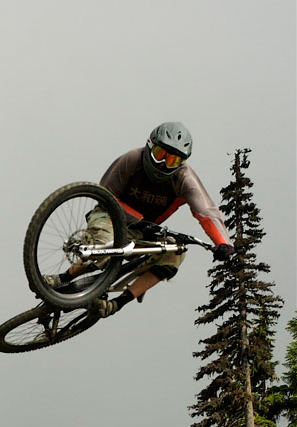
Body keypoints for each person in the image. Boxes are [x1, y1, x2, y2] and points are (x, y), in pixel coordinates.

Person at [46, 121, 235, 317]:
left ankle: (117, 303)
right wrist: (138, 218)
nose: (163, 164)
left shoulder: (184, 179)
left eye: (172, 160)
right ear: (150, 146)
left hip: (144, 230)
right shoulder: (132, 160)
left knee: (175, 253)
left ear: (181, 162)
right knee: (107, 246)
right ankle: (63, 278)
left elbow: (207, 212)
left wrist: (222, 243)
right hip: (109, 215)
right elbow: (105, 195)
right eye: (160, 155)